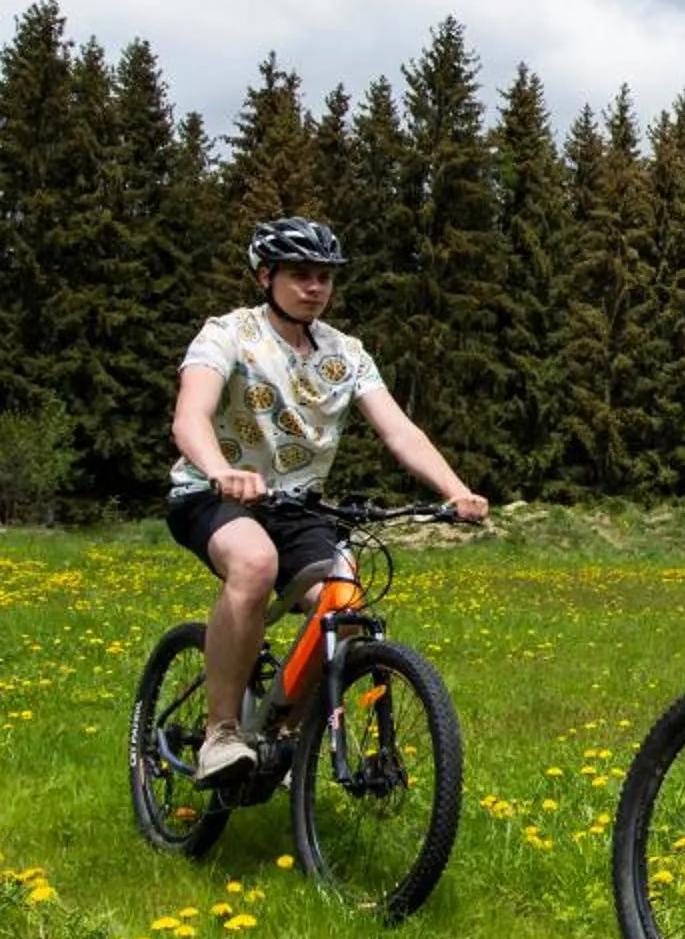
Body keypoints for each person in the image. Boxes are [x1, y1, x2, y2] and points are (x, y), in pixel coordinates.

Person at [166, 218, 489, 794]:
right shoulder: (229, 334)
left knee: (344, 600)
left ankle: (286, 737)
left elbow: (399, 431)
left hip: (297, 506)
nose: (314, 288)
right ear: (266, 277)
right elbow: (191, 414)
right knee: (255, 563)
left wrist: (454, 489)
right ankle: (220, 734)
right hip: (213, 494)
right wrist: (220, 471)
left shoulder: (347, 353)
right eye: (299, 276)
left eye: (324, 278)